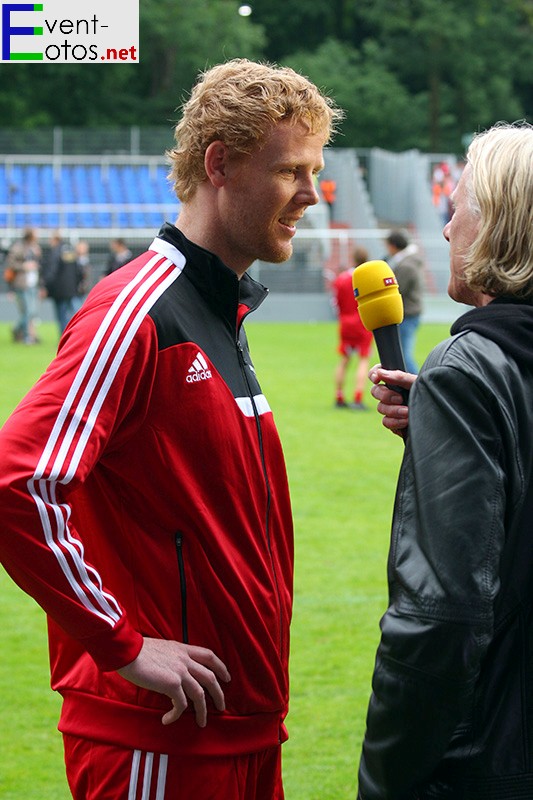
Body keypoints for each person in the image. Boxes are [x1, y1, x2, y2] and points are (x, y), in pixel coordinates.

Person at [0, 59, 342, 800]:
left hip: (242, 730)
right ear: (219, 164)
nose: (312, 196)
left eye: (315, 171)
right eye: (291, 171)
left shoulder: (221, 308)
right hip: (158, 743)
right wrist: (122, 646)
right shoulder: (137, 309)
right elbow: (20, 480)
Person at [359, 121, 533, 799]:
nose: (444, 231)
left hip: (492, 760)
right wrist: (444, 435)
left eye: (454, 210)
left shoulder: (470, 367)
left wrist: (383, 780)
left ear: (495, 224)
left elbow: (442, 618)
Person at [332, 245, 373, 409]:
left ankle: (339, 396)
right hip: (362, 322)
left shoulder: (341, 278)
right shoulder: (368, 278)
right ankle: (358, 397)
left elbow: (337, 302)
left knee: (344, 359)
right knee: (363, 359)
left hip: (346, 323)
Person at [384, 230, 424, 374]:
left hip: (407, 313)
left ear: (393, 246)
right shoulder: (409, 261)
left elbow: (398, 290)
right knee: (402, 355)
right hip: (410, 312)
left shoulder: (405, 265)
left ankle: (419, 386)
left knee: (403, 356)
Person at [41, 232, 88, 336]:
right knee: (72, 315)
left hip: (59, 291)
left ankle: (65, 339)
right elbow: (78, 270)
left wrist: (45, 286)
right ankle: (75, 336)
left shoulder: (55, 252)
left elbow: (52, 272)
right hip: (71, 290)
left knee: (62, 317)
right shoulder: (70, 251)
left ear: (54, 240)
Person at [5, 227, 41, 344]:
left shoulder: (35, 247)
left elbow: (38, 264)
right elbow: (11, 263)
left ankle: (16, 329)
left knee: (32, 311)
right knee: (28, 311)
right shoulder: (18, 247)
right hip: (22, 284)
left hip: (33, 284)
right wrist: (24, 266)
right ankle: (27, 337)